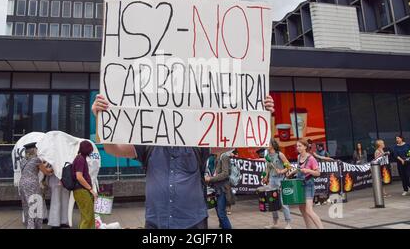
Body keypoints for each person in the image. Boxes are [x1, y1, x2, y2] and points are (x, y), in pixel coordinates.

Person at [92, 94, 276, 229]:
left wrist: (262, 115)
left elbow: (240, 140)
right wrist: (100, 119)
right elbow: (112, 148)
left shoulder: (199, 143)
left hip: (192, 223)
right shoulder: (147, 144)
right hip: (156, 223)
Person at [19, 142, 53, 229]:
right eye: (36, 149)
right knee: (35, 205)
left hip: (22, 184)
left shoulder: (22, 161)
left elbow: (30, 168)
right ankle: (34, 226)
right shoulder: (36, 160)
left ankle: (28, 225)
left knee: (26, 205)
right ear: (34, 150)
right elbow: (46, 172)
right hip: (32, 184)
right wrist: (53, 168)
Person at [263, 139, 292, 229]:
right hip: (272, 180)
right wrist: (265, 176)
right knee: (272, 201)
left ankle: (288, 224)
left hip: (280, 179)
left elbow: (288, 166)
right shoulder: (267, 156)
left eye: (268, 143)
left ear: (272, 145)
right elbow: (268, 168)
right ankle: (275, 222)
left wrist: (282, 171)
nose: (266, 145)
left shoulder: (279, 154)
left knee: (283, 202)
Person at [295, 139, 324, 229]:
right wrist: (292, 172)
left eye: (300, 146)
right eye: (297, 146)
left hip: (308, 185)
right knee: (302, 208)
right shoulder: (298, 157)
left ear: (305, 147)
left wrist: (308, 170)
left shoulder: (311, 158)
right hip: (300, 184)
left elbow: (318, 173)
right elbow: (298, 169)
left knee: (308, 210)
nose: (298, 148)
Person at [205, 148, 234, 229]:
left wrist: (211, 179)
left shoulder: (224, 156)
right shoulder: (218, 156)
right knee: (219, 212)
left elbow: (225, 174)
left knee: (221, 214)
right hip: (218, 188)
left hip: (223, 189)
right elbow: (217, 173)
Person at [73, 140, 97, 229]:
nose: (91, 151)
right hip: (82, 190)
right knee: (88, 217)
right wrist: (90, 189)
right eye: (90, 149)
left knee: (86, 216)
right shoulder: (80, 159)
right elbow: (79, 176)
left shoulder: (79, 158)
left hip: (81, 190)